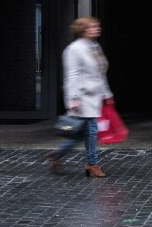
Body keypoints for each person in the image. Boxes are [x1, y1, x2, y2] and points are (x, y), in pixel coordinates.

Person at [48, 16, 112, 178]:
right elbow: (72, 75)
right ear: (82, 30)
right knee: (91, 130)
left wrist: (107, 93)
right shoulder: (74, 49)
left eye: (97, 26)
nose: (96, 29)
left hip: (94, 96)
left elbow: (100, 72)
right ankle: (92, 164)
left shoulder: (95, 47)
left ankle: (58, 155)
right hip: (81, 97)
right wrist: (73, 97)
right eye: (92, 27)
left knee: (78, 133)